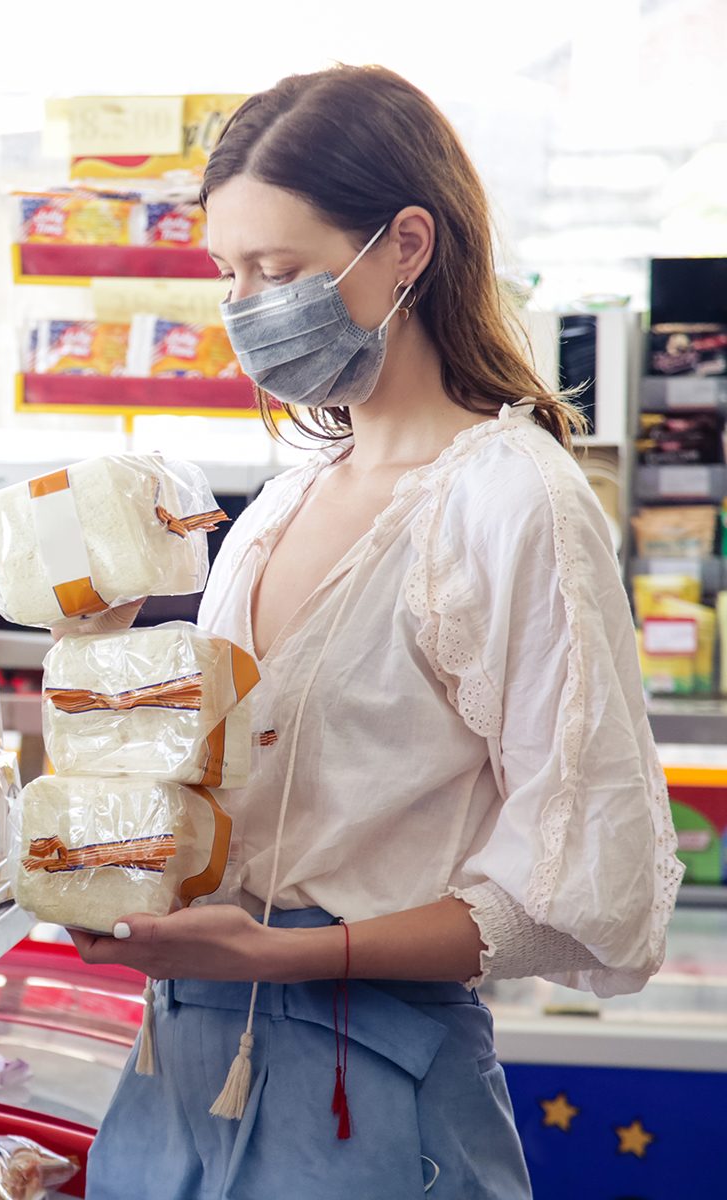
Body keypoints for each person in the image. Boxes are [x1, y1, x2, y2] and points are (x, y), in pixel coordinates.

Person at [69, 65, 683, 1199]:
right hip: (177, 1077)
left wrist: (290, 956)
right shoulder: (287, 498)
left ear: (407, 244)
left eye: (281, 270)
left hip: (368, 1090)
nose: (248, 306)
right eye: (230, 274)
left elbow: (582, 884)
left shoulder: (514, 502)